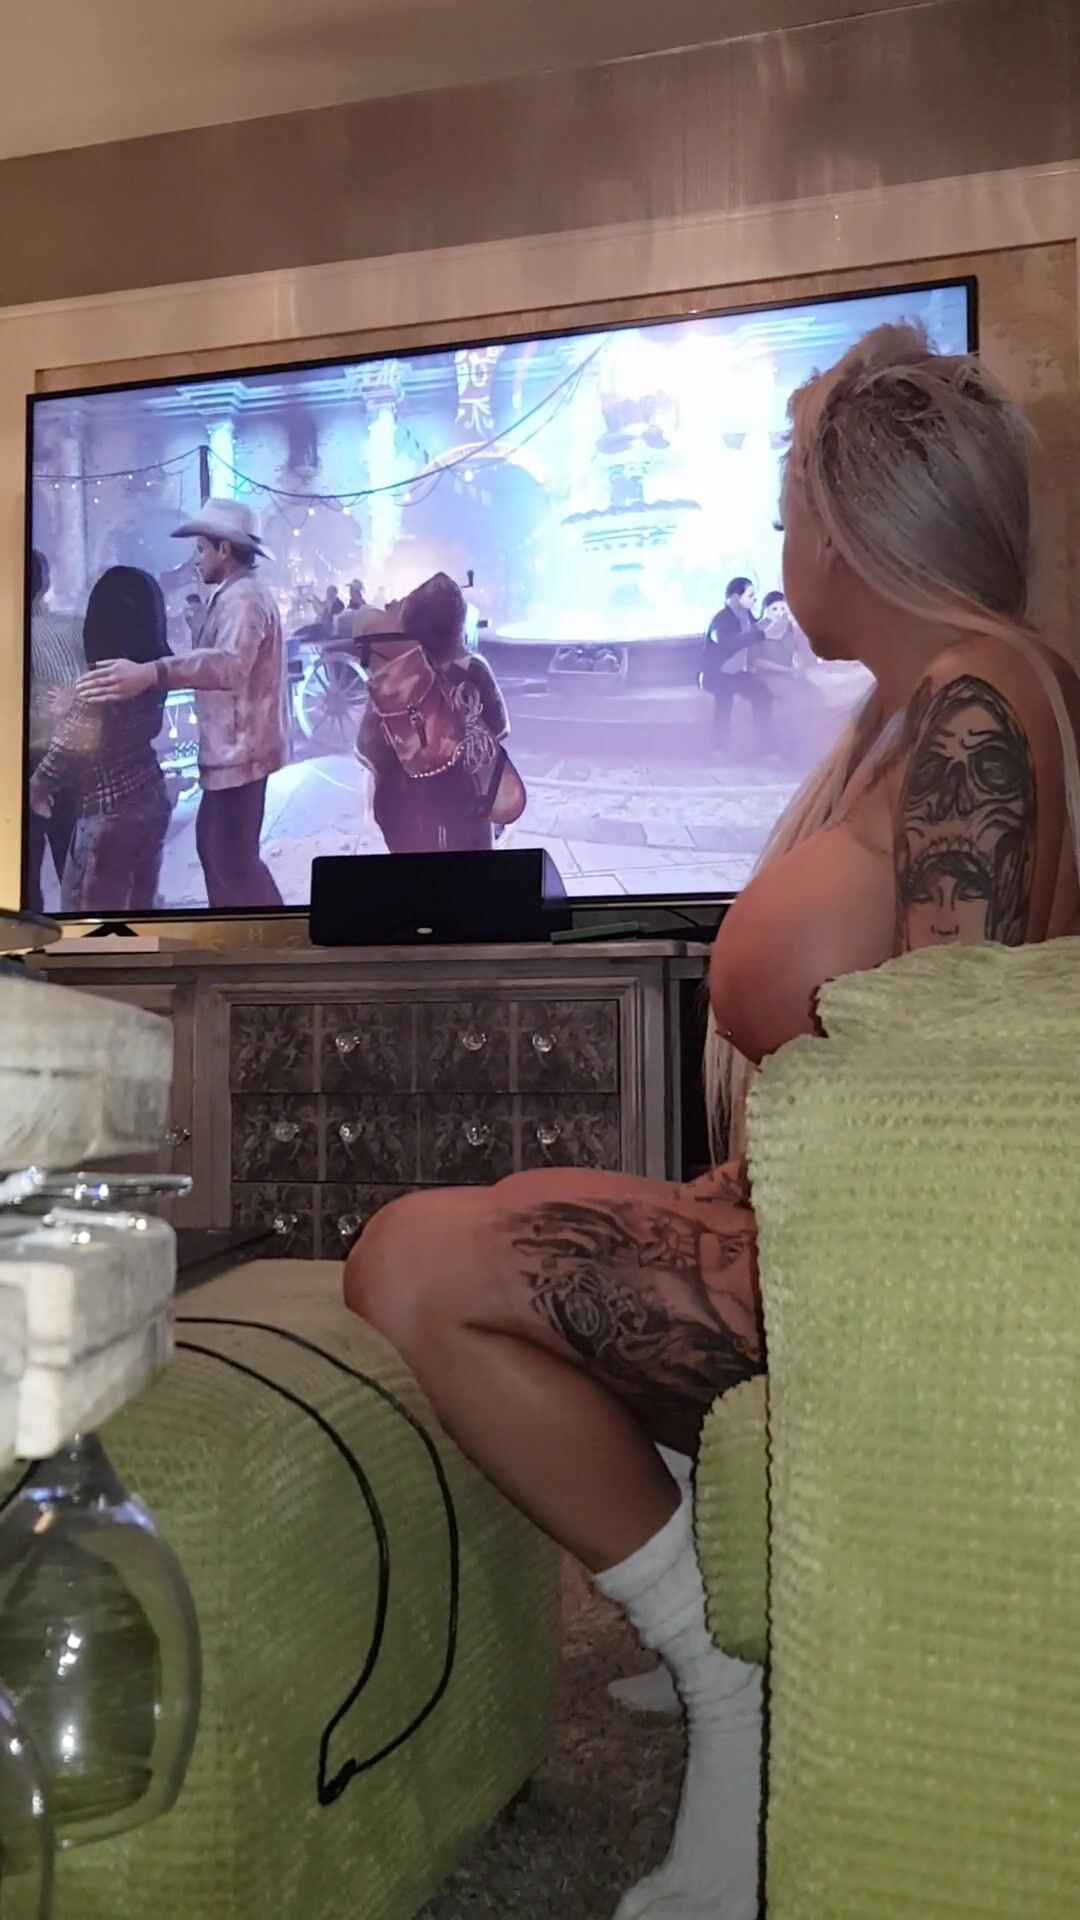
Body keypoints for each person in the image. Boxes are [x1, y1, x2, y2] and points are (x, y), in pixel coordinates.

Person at [341, 324, 1080, 1920]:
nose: (782, 545)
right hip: (826, 1245)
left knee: (409, 1261)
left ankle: (722, 1670)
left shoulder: (974, 702)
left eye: (788, 512)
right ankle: (712, 1616)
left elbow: (950, 1071)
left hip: (874, 1299)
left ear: (851, 526)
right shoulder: (951, 698)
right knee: (510, 1203)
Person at [79, 500, 289, 911]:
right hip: (233, 752)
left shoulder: (242, 599)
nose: (196, 560)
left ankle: (267, 938)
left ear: (224, 550)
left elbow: (229, 666)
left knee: (232, 863)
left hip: (240, 753)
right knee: (221, 856)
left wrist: (152, 671)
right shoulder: (233, 595)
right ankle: (250, 936)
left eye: (201, 550)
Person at [29, 566, 173, 914]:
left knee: (90, 912)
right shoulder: (150, 672)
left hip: (107, 813)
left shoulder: (102, 681)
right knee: (139, 901)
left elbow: (71, 744)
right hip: (151, 796)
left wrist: (38, 784)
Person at [357, 571, 514, 853]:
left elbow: (372, 751)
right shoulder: (474, 668)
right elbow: (496, 738)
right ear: (459, 623)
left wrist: (371, 806)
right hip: (466, 811)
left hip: (405, 816)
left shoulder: (394, 676)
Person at [25, 549, 86, 912]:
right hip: (68, 757)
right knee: (74, 868)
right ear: (45, 582)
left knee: (20, 882)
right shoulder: (74, 628)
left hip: (27, 764)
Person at [703, 575, 774, 757]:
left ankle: (767, 749)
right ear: (736, 597)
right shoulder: (721, 619)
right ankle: (719, 748)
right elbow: (728, 642)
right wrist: (762, 635)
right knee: (724, 700)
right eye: (750, 596)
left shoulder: (747, 616)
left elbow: (756, 632)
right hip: (718, 673)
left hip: (739, 673)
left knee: (763, 695)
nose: (754, 600)